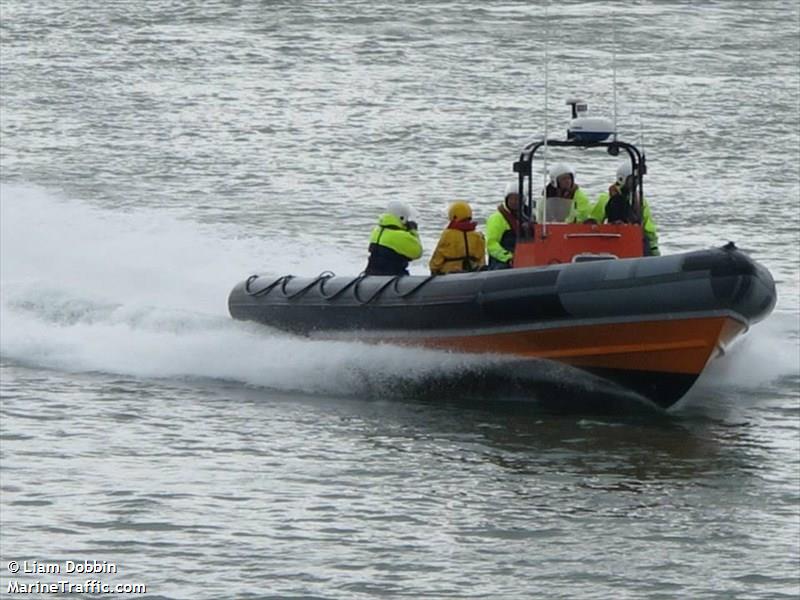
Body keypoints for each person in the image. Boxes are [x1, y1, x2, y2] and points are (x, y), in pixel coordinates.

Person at [589, 161, 660, 256]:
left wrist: (654, 249)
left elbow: (648, 228)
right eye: (633, 179)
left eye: (638, 179)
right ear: (623, 178)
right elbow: (594, 224)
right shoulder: (606, 199)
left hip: (636, 241)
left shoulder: (640, 200)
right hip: (612, 241)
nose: (637, 182)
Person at [364, 200, 423, 275]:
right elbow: (417, 253)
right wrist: (413, 231)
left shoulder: (377, 231)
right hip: (391, 276)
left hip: (371, 273)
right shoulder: (400, 236)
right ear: (402, 218)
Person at [429, 201, 486, 275]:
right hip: (472, 273)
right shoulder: (477, 236)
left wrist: (433, 269)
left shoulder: (448, 234)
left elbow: (438, 257)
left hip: (449, 274)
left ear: (453, 216)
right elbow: (481, 260)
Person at [486, 181, 526, 269]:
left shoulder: (524, 218)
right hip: (501, 261)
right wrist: (508, 257)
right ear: (506, 199)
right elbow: (491, 244)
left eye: (517, 199)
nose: (514, 202)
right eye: (512, 198)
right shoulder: (496, 218)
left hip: (522, 259)